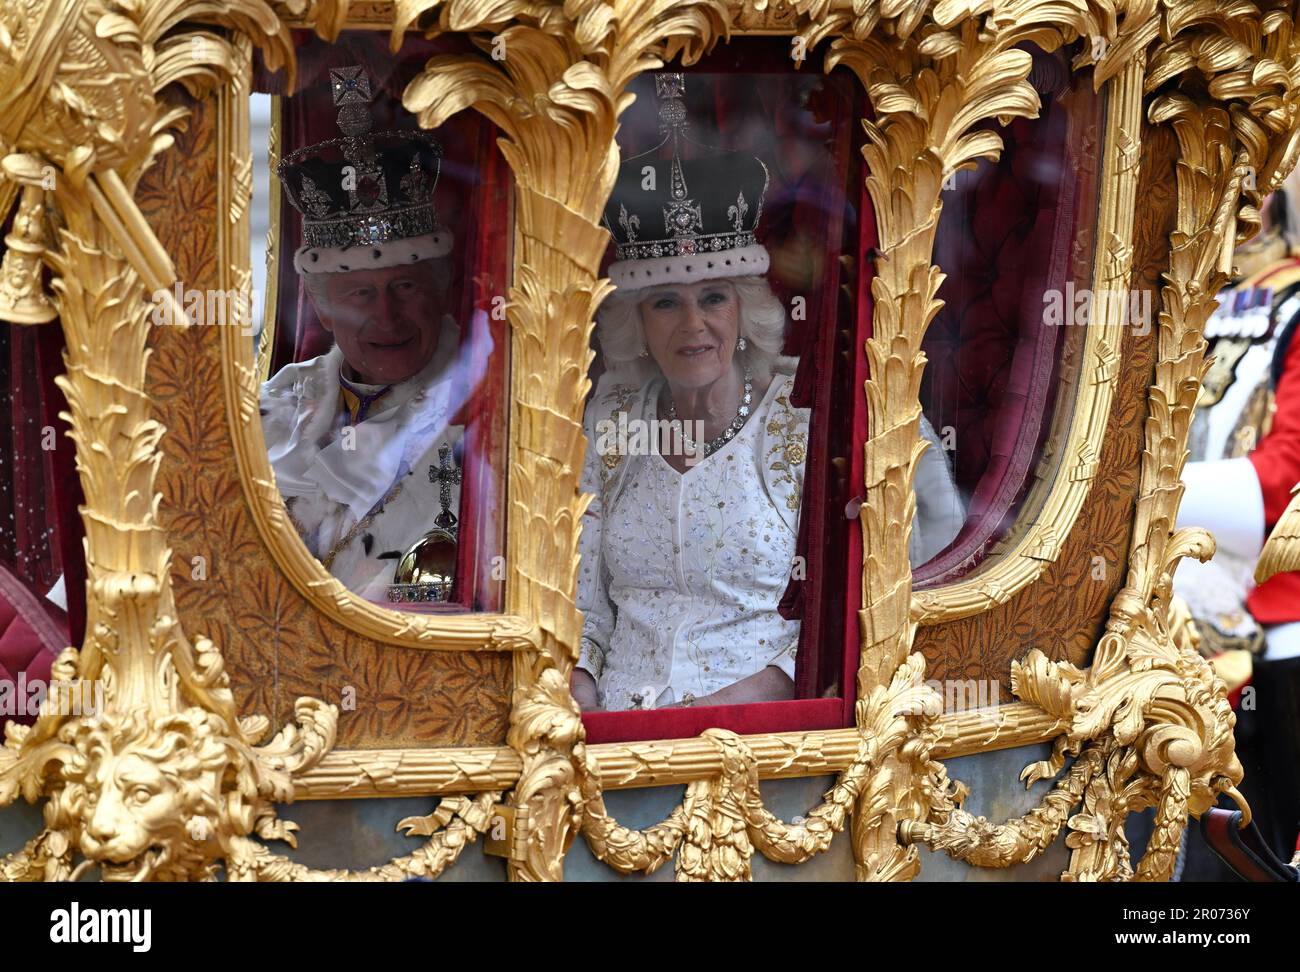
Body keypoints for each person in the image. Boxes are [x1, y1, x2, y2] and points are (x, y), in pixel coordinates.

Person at [571, 74, 961, 712]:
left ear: (744, 307)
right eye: (666, 302)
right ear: (636, 321)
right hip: (612, 738)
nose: (693, 325)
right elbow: (583, 607)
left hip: (762, 743)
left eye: (713, 298)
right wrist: (579, 701)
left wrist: (713, 716)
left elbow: (895, 583)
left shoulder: (810, 415)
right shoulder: (611, 415)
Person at [261, 65, 471, 604]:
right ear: (324, 310)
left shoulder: (479, 409)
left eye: (405, 285)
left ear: (441, 287)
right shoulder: (278, 404)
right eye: (359, 294)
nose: (388, 316)